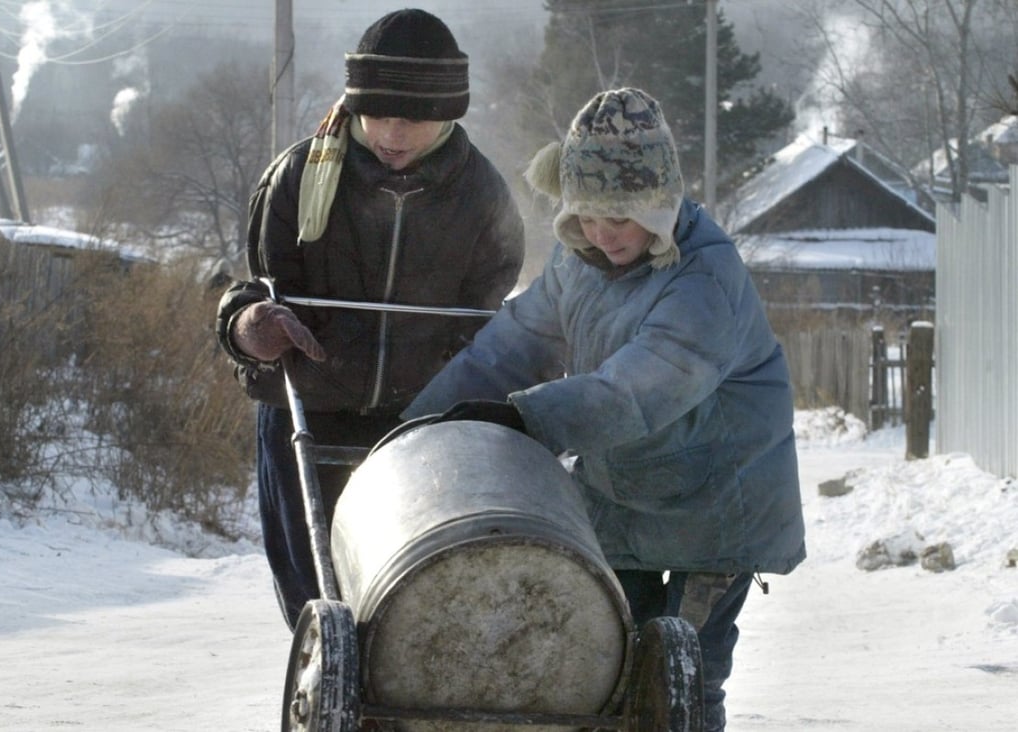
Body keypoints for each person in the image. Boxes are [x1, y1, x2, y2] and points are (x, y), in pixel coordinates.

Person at [402, 87, 805, 731]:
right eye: (586, 214)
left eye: (617, 215)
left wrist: (526, 417)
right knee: (609, 667)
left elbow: (637, 391)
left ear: (657, 205)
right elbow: (509, 346)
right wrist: (418, 430)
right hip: (624, 498)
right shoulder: (580, 262)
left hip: (722, 508)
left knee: (682, 675)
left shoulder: (703, 279)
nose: (599, 232)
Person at [214, 9, 525, 630]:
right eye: (378, 113)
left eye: (412, 117)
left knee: (407, 609)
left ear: (449, 114)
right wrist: (251, 326)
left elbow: (487, 317)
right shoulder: (299, 178)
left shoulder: (482, 196)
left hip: (421, 429)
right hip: (305, 414)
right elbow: (255, 290)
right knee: (320, 607)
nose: (392, 131)